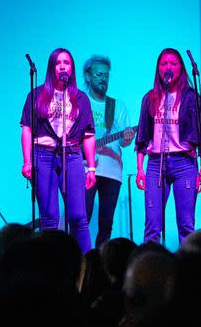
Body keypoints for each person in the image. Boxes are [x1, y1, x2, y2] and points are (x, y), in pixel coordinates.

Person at [20, 48, 96, 252]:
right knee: (50, 218)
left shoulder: (81, 99)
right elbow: (26, 129)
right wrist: (27, 161)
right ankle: (51, 267)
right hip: (42, 155)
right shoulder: (36, 95)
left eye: (67, 62)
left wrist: (91, 168)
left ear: (71, 68)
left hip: (71, 155)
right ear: (52, 67)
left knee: (78, 217)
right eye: (58, 62)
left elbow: (88, 135)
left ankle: (87, 265)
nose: (63, 66)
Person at [135, 48, 201, 244]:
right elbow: (142, 135)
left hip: (184, 163)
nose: (168, 67)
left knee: (186, 225)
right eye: (164, 63)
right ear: (158, 69)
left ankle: (186, 271)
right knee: (152, 225)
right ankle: (151, 270)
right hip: (155, 163)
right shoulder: (149, 98)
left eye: (173, 63)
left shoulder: (191, 97)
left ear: (181, 69)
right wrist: (139, 169)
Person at [82, 55, 135, 247]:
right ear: (88, 76)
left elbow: (124, 141)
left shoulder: (117, 106)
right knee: (82, 219)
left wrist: (128, 137)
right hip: (85, 169)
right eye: (98, 74)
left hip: (112, 171)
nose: (103, 78)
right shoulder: (80, 101)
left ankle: (100, 266)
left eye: (106, 75)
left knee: (106, 225)